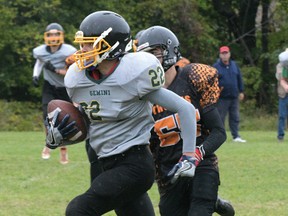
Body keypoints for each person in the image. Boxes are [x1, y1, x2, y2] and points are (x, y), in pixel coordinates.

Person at [45, 11, 199, 216]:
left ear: (113, 45)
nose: (83, 50)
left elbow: (185, 108)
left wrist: (189, 156)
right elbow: (88, 120)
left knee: (78, 210)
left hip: (134, 164)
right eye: (82, 44)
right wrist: (57, 137)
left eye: (90, 44)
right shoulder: (77, 78)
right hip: (103, 160)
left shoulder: (135, 73)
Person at [137, 26, 234, 216]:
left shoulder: (192, 78)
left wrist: (196, 155)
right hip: (168, 170)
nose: (149, 60)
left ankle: (208, 198)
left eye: (154, 53)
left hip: (201, 163)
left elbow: (219, 133)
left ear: (171, 51)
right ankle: (214, 202)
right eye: (145, 55)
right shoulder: (139, 91)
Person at [32, 23, 77, 164]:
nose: (53, 37)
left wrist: (56, 70)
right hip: (49, 86)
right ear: (46, 36)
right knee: (47, 116)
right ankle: (49, 144)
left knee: (63, 119)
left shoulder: (69, 51)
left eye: (56, 34)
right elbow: (39, 62)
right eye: (50, 34)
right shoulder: (40, 51)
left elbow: (74, 71)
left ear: (62, 35)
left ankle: (63, 150)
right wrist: (35, 75)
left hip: (65, 87)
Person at [213, 46, 246, 143]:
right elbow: (212, 82)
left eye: (226, 53)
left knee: (235, 117)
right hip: (222, 97)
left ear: (229, 54)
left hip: (234, 96)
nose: (225, 55)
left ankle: (236, 136)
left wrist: (241, 91)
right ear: (220, 55)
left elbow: (239, 78)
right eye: (223, 53)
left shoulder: (234, 65)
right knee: (220, 118)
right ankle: (220, 137)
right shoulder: (216, 67)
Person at [277, 49, 288, 141]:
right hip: (283, 94)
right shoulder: (280, 66)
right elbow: (280, 78)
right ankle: (280, 135)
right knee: (282, 115)